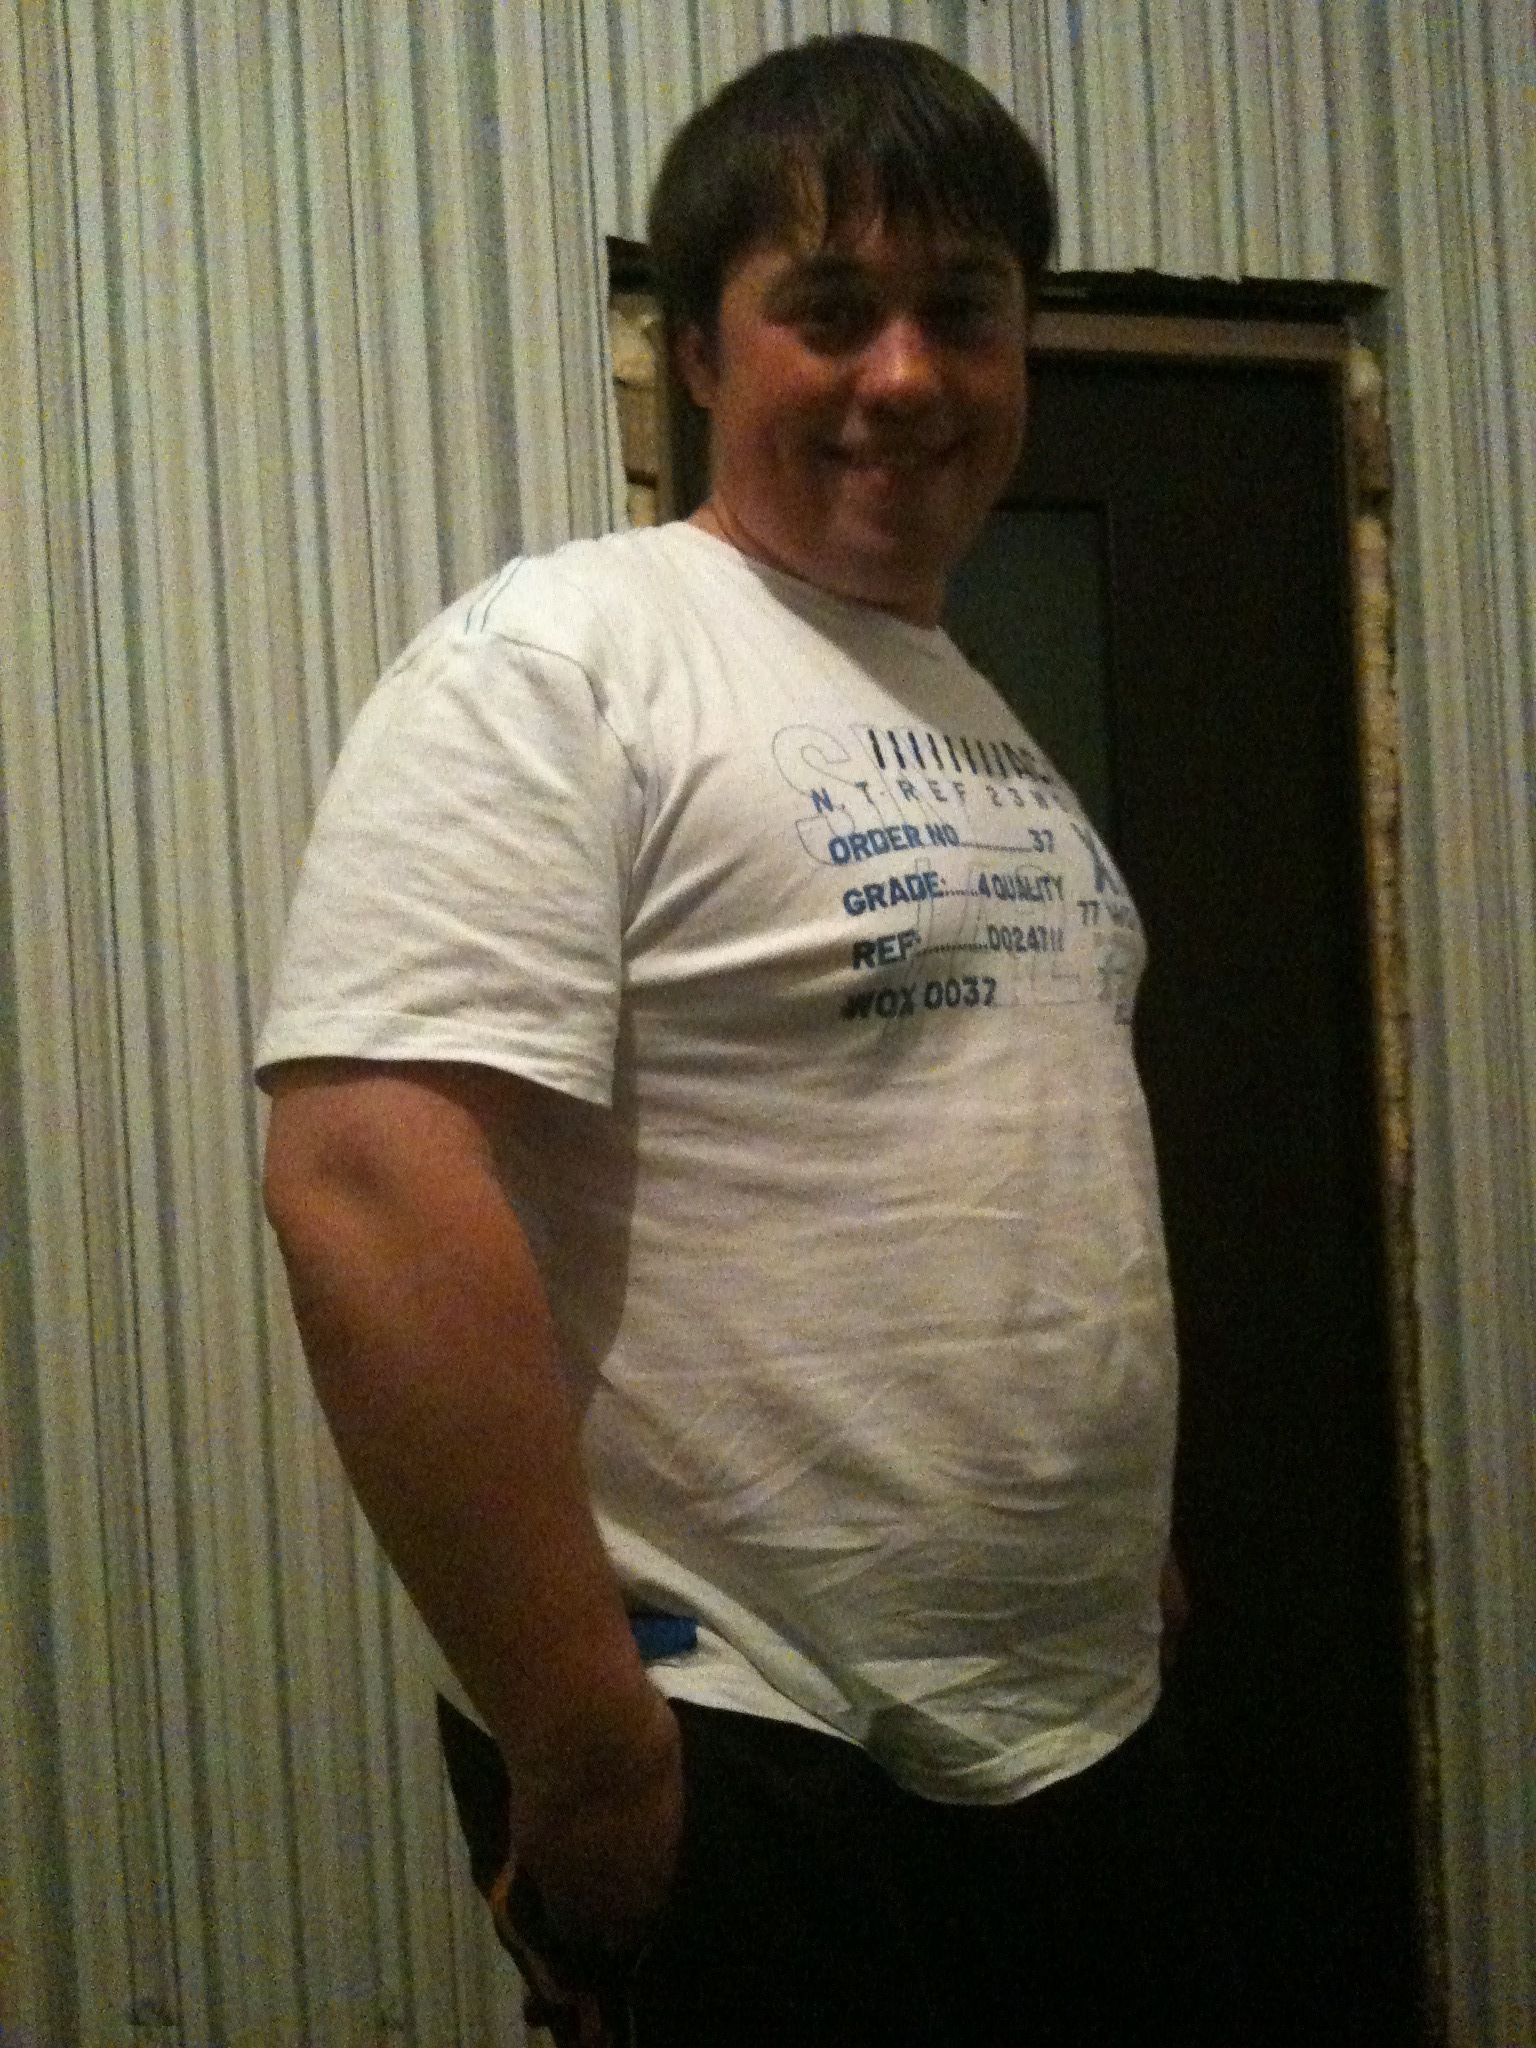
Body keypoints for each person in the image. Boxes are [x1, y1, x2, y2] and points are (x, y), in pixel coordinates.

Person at [259, 33, 1219, 2047]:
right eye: (831, 311)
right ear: (700, 351)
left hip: (1065, 1716)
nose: (907, 375)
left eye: (965, 311)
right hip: (753, 1734)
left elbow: (999, 1149)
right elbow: (364, 1174)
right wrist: (582, 1731)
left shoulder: (976, 715)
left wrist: (1110, 1532)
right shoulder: (564, 655)